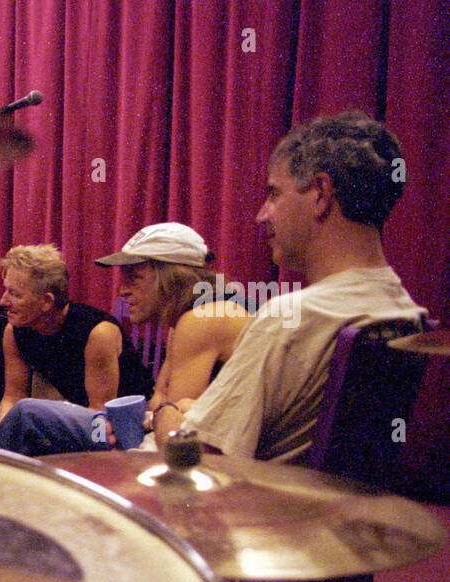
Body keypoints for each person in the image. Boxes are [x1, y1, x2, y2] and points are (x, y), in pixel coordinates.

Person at [174, 111, 425, 461]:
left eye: (274, 194)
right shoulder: (408, 312)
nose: (263, 214)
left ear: (321, 193)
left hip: (258, 511)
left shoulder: (288, 318)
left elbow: (200, 458)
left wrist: (168, 414)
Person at [0, 244, 153, 456]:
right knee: (12, 425)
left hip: (123, 426)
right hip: (81, 417)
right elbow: (13, 395)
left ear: (47, 301)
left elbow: (99, 416)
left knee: (28, 413)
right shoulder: (14, 331)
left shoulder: (97, 333)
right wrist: (2, 426)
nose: (2, 301)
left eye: (15, 295)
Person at [93, 223, 249, 449]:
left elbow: (172, 425)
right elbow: (160, 399)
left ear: (173, 278)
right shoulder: (185, 319)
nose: (121, 291)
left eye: (134, 278)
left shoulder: (203, 318)